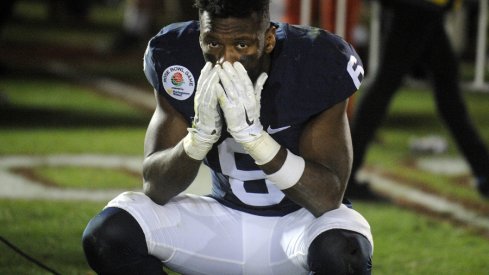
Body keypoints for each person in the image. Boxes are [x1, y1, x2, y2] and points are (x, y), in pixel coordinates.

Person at [82, 0, 373, 274]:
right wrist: (197, 140)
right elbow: (155, 187)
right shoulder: (176, 55)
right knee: (110, 233)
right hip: (221, 222)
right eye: (213, 43)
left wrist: (256, 140)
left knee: (342, 251)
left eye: (242, 44)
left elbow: (327, 198)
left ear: (269, 39)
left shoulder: (316, 59)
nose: (226, 59)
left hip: (300, 227)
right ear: (200, 36)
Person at [347, 0, 489, 200]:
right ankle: (345, 176)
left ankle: (484, 170)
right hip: (420, 7)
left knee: (446, 92)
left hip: (423, 8)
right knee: (386, 89)